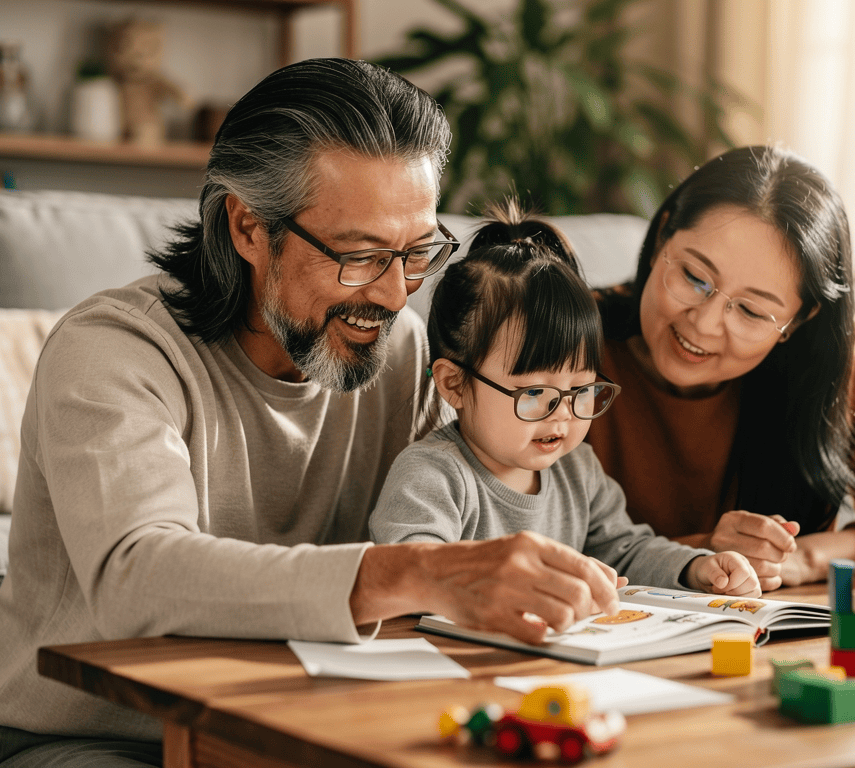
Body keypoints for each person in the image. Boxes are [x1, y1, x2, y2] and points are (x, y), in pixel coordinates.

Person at [0, 59, 624, 766]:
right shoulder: (114, 352)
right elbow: (136, 575)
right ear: (247, 228)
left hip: (305, 726)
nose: (394, 294)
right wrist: (416, 571)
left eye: (416, 252)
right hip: (96, 736)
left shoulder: (402, 349)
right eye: (358, 257)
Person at [587, 145, 855, 592]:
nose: (706, 322)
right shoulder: (562, 340)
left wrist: (804, 557)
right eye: (695, 277)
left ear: (799, 320)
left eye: (752, 312)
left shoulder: (839, 358)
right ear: (662, 239)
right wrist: (701, 551)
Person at [369, 200, 760, 599]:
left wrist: (695, 568)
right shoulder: (433, 477)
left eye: (581, 391)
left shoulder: (578, 472)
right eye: (535, 393)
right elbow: (408, 570)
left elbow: (625, 550)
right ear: (454, 385)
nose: (563, 417)